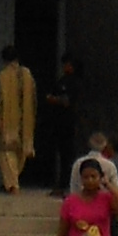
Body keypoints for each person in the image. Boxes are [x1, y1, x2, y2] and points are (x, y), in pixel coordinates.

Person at [0, 45, 38, 194]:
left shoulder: (3, 75)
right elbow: (34, 98)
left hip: (9, 119)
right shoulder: (28, 74)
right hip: (26, 118)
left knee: (6, 152)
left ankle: (12, 183)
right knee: (20, 151)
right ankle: (13, 181)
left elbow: (0, 100)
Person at [41, 55, 79, 188]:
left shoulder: (74, 82)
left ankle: (66, 184)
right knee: (60, 154)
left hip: (68, 124)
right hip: (58, 123)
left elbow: (67, 101)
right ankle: (59, 183)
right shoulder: (62, 80)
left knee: (67, 156)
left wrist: (54, 99)